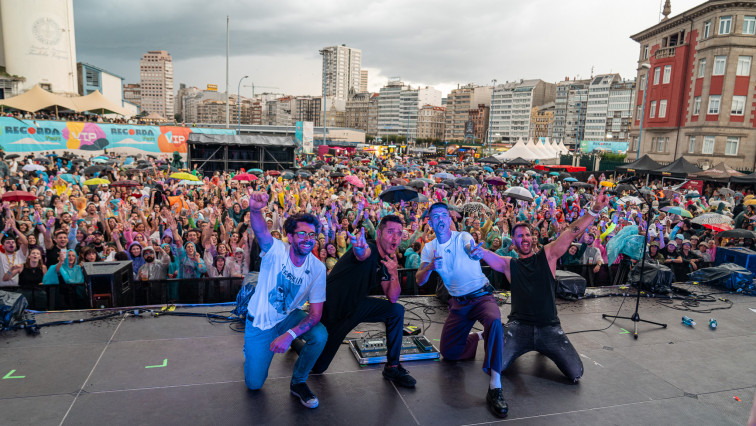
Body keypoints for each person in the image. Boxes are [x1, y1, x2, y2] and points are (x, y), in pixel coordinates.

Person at [474, 189, 610, 403]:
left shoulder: (548, 255)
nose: (525, 238)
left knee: (576, 373)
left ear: (533, 237)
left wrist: (593, 211)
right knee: (494, 367)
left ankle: (546, 348)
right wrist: (475, 250)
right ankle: (503, 333)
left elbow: (572, 233)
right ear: (514, 241)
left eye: (528, 234)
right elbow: (488, 255)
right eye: (520, 236)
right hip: (520, 328)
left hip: (549, 328)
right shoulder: (511, 265)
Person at [415, 202, 507, 418]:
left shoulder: (463, 237)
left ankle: (495, 385)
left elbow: (471, 249)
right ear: (430, 221)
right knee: (449, 353)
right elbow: (419, 280)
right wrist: (429, 267)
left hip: (481, 296)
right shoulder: (429, 248)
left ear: (449, 219)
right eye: (435, 216)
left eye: (443, 215)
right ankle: (479, 337)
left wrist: (475, 252)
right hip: (458, 303)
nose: (439, 219)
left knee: (494, 320)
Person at [243, 190, 327, 409]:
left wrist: (289, 335)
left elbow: (316, 314)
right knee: (254, 385)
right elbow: (261, 231)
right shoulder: (276, 251)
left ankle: (298, 382)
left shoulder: (317, 268)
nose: (308, 239)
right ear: (290, 237)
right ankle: (251, 350)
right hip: (259, 322)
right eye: (302, 234)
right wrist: (254, 209)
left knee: (320, 335)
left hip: (287, 317)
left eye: (312, 235)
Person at [312, 215, 416, 388]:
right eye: (390, 232)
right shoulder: (370, 248)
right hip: (334, 309)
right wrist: (359, 249)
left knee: (396, 310)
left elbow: (392, 297)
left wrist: (394, 273)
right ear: (379, 234)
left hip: (357, 306)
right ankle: (298, 341)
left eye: (399, 233)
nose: (395, 237)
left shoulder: (386, 260)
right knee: (318, 367)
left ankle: (392, 367)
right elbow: (362, 254)